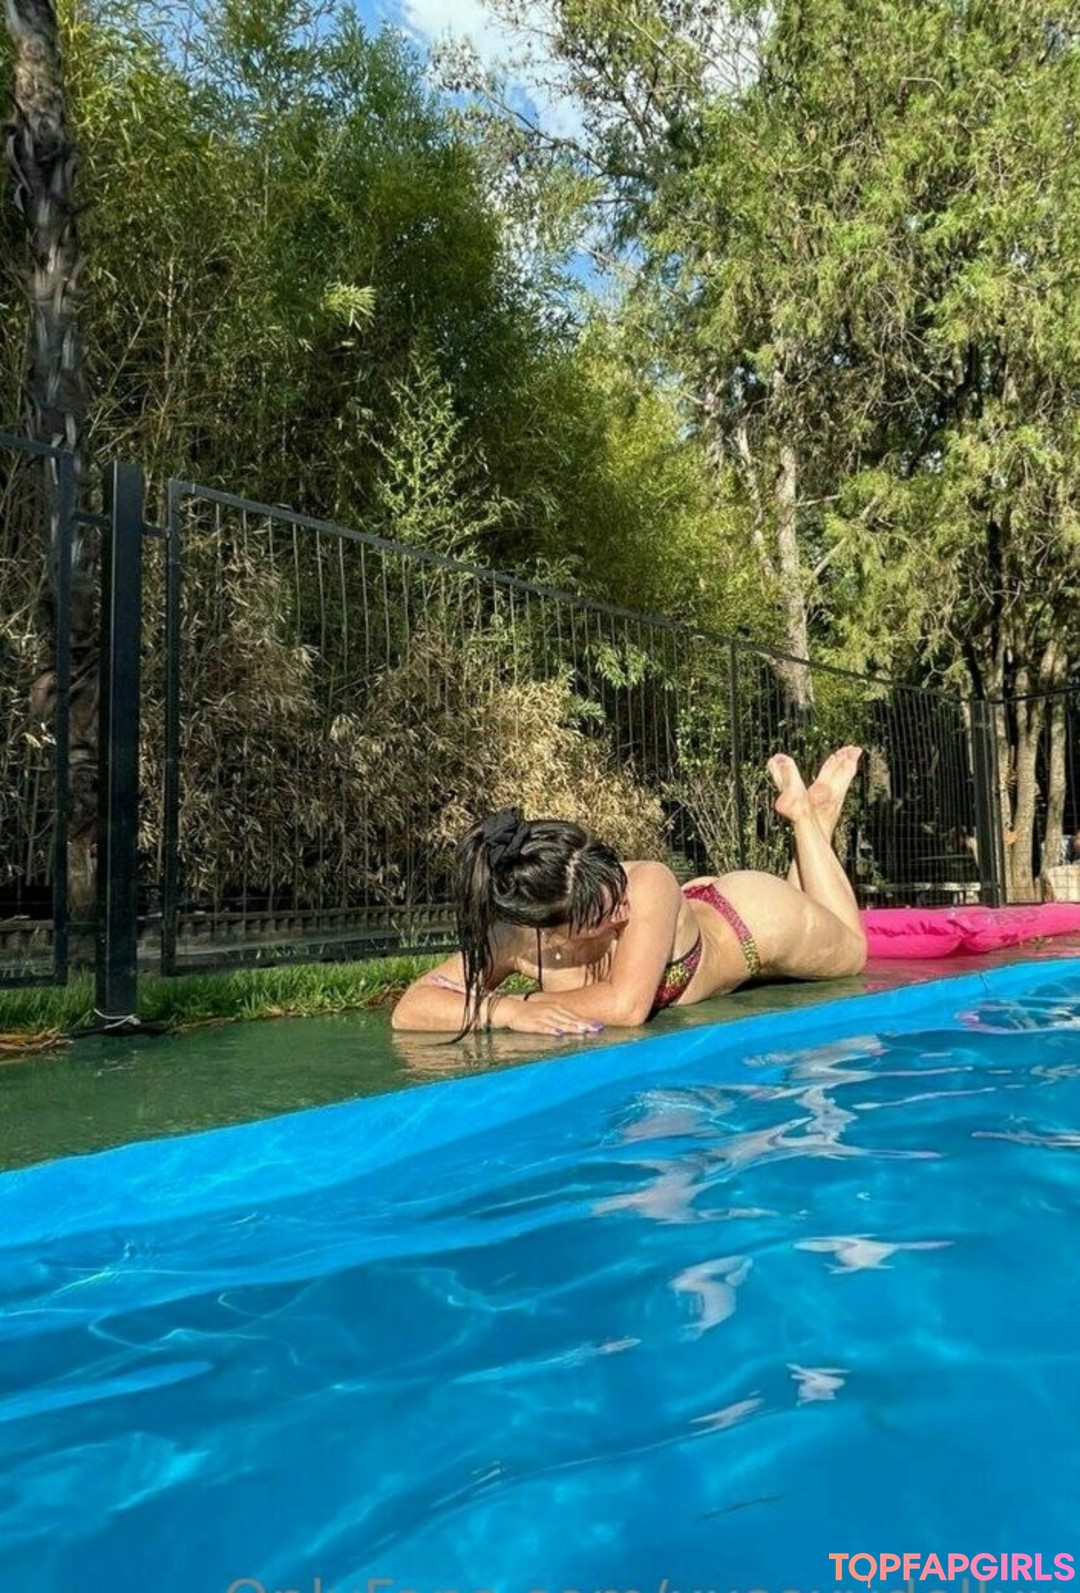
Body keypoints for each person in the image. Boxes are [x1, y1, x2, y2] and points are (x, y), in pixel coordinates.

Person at [391, 746, 869, 1036]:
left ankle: (805, 816)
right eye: (602, 914)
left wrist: (525, 1003)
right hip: (710, 924)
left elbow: (626, 1007)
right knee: (820, 905)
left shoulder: (649, 882)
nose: (624, 911)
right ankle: (815, 826)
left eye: (615, 888)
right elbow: (412, 1007)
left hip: (753, 923)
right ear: (551, 929)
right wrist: (504, 1011)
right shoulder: (517, 938)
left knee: (853, 952)